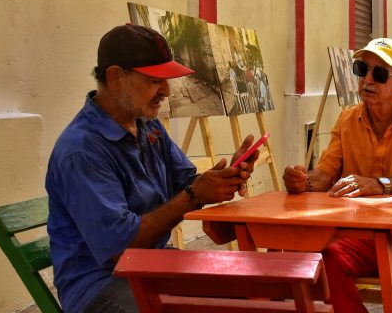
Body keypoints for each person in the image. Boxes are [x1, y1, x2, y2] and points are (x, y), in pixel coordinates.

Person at [46, 24, 260, 313]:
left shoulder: (148, 126)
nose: (167, 91)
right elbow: (118, 248)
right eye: (154, 80)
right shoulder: (82, 149)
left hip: (153, 263)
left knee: (254, 290)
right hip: (102, 286)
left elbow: (186, 182)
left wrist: (226, 177)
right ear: (115, 76)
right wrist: (194, 194)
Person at [282, 38, 392, 313]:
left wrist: (380, 185)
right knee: (327, 257)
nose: (368, 80)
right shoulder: (347, 119)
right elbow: (324, 174)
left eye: (380, 74)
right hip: (362, 234)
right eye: (362, 69)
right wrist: (304, 180)